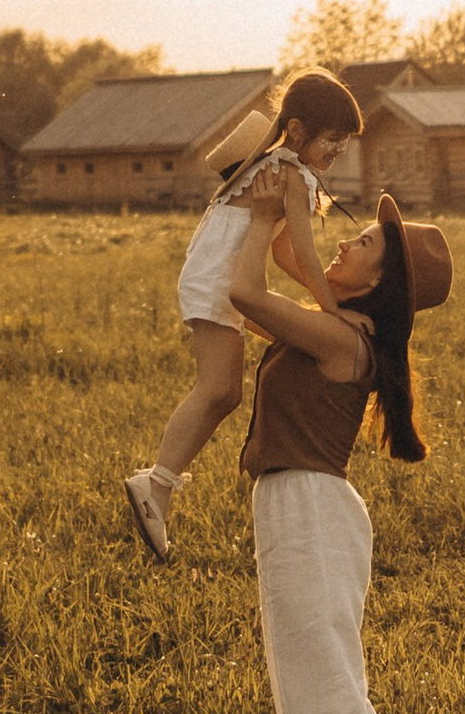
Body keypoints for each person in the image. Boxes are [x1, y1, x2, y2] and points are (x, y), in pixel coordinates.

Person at [230, 189, 451, 714]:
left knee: (317, 678)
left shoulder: (338, 336)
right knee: (325, 672)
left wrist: (265, 214)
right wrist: (289, 204)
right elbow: (288, 258)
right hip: (305, 505)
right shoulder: (339, 322)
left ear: (381, 280)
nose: (350, 242)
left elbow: (245, 292)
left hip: (309, 509)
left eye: (368, 244)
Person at [123, 70, 363, 562]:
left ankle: (159, 484)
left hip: (214, 278)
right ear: (297, 131)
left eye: (346, 142)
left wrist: (325, 304)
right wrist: (335, 312)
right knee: (218, 389)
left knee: (232, 386)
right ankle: (156, 485)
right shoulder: (289, 175)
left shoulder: (276, 166)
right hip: (217, 282)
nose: (340, 150)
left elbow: (284, 258)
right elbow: (306, 254)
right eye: (333, 139)